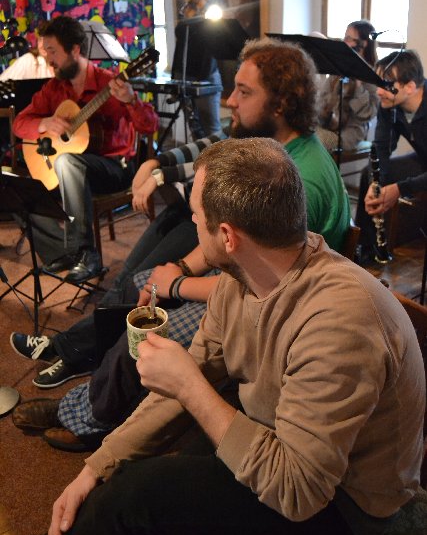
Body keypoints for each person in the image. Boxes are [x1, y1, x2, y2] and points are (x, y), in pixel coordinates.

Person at [3, 137, 425, 535]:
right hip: (281, 438)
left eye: (196, 215)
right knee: (146, 477)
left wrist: (189, 386)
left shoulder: (339, 322)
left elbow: (299, 491)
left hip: (350, 509)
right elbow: (185, 382)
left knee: (144, 496)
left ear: (227, 236)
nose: (192, 222)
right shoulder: (241, 280)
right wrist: (97, 467)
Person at [10, 37, 351, 393]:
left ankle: (80, 359)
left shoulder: (297, 182)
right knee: (137, 269)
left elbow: (260, 286)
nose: (230, 100)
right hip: (233, 239)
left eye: (244, 92)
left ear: (280, 104)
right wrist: (158, 166)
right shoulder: (271, 143)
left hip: (261, 303)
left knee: (143, 284)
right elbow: (212, 145)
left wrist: (177, 278)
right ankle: (78, 349)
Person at [12, 15, 158, 283]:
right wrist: (45, 123)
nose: (48, 59)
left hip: (113, 169)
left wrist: (131, 101)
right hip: (68, 172)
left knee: (67, 161)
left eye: (53, 51)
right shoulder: (54, 88)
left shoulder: (109, 83)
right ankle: (65, 253)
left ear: (75, 50)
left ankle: (86, 253)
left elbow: (149, 126)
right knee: (16, 190)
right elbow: (20, 123)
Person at [355, 49, 427, 261]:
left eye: (386, 85)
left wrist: (399, 189)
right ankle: (367, 249)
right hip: (422, 159)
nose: (379, 92)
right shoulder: (390, 104)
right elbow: (381, 148)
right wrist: (376, 184)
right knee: (369, 174)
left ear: (410, 87)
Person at [173, 0, 223, 137]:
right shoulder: (186, 9)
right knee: (195, 130)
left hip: (205, 77)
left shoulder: (209, 9)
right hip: (186, 76)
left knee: (212, 132)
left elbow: (210, 46)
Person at [316, 20, 379, 152]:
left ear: (364, 44)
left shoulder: (372, 75)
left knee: (317, 141)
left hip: (350, 133)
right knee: (298, 135)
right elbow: (322, 100)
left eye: (349, 39)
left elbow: (366, 114)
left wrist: (358, 85)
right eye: (344, 37)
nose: (344, 42)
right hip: (328, 125)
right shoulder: (338, 69)